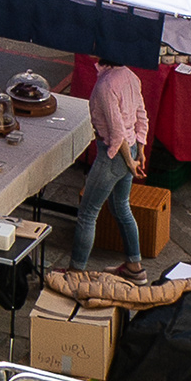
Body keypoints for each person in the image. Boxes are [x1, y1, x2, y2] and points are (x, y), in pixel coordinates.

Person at [72, 64, 148, 275]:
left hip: (114, 155)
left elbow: (117, 132)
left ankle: (75, 272)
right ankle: (134, 266)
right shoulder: (131, 76)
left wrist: (128, 161)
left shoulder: (106, 85)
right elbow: (141, 117)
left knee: (87, 213)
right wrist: (139, 150)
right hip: (129, 150)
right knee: (121, 207)